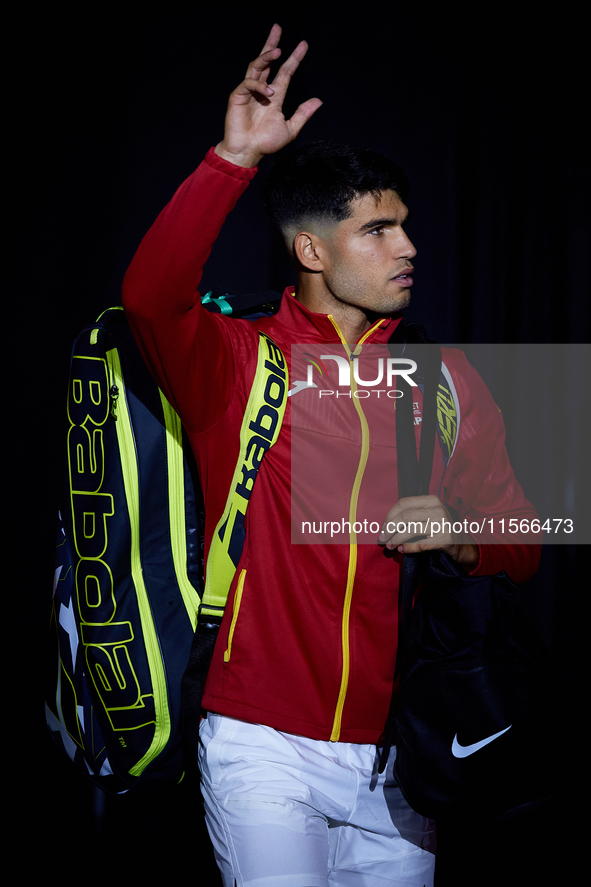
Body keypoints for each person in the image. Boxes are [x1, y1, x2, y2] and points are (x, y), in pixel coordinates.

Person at [122, 24, 540, 887]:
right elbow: (149, 296)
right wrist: (230, 162)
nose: (408, 246)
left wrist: (461, 534)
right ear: (311, 250)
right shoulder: (239, 363)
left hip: (404, 756)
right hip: (260, 742)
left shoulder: (445, 379)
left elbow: (524, 543)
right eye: (378, 230)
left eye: (406, 227)